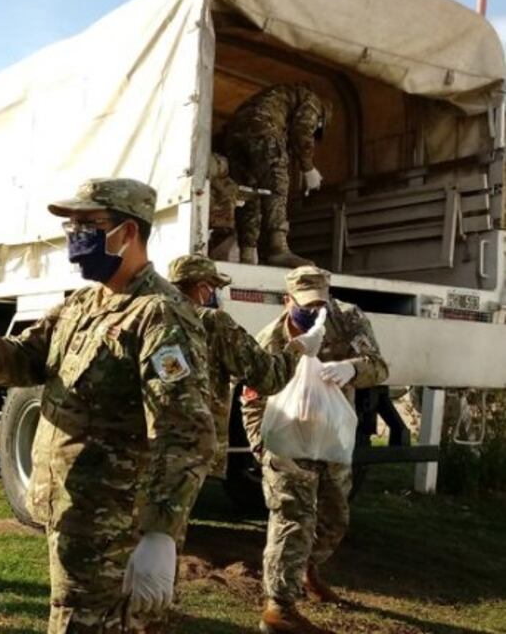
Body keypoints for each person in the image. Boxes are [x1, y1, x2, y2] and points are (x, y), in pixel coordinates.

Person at [0, 178, 217, 633]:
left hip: (116, 527)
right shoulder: (82, 304)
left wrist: (160, 532)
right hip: (73, 513)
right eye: (71, 224)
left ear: (128, 232)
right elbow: (26, 360)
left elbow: (184, 432)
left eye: (87, 223)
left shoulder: (160, 315)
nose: (74, 235)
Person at [241, 266, 389, 634]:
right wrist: (263, 450)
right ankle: (279, 608)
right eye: (305, 305)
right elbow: (252, 400)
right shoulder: (272, 340)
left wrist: (353, 369)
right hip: (288, 443)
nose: (314, 311)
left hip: (332, 440)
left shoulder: (348, 319)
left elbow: (380, 367)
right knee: (292, 520)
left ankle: (306, 569)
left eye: (321, 303)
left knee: (335, 518)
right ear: (287, 300)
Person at [167, 254, 324, 484]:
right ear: (202, 288)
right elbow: (269, 378)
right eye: (214, 288)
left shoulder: (150, 314)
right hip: (192, 447)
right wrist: (297, 348)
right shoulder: (213, 322)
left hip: (152, 443)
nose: (215, 295)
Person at [224, 83, 332, 268]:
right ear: (322, 120)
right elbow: (303, 130)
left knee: (249, 192)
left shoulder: (281, 98)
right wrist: (308, 169)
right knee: (277, 182)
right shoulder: (313, 103)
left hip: (234, 133)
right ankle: (278, 249)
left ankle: (247, 254)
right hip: (262, 127)